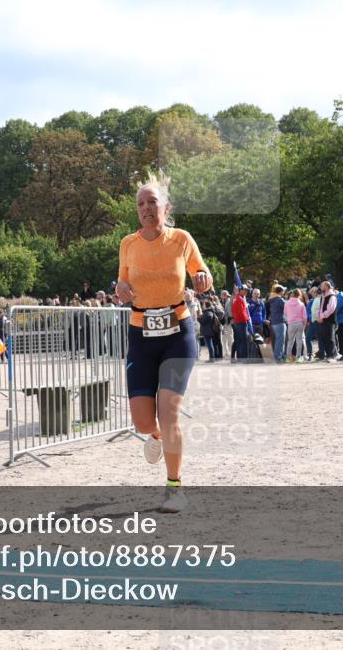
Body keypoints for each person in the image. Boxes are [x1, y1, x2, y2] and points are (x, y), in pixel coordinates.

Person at [116, 170, 212, 513]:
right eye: (141, 204)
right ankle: (156, 436)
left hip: (177, 334)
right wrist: (120, 289)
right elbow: (122, 283)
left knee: (168, 412)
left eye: (152, 202)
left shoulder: (181, 239)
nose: (145, 208)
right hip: (141, 334)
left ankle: (174, 488)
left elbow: (202, 271)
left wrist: (203, 277)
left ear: (165, 207)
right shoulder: (128, 244)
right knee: (143, 422)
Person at [284, 288, 308, 363]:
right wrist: (304, 324)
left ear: (292, 294)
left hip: (291, 323)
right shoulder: (301, 304)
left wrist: (288, 320)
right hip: (300, 323)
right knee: (299, 341)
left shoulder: (287, 303)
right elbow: (305, 316)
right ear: (299, 295)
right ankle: (298, 357)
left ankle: (288, 358)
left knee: (290, 341)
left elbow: (285, 314)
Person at [316, 281, 338, 362]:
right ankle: (328, 355)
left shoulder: (332, 296)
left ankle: (332, 356)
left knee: (330, 338)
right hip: (323, 320)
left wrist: (322, 316)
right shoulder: (323, 296)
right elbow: (319, 308)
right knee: (324, 338)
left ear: (327, 287)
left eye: (322, 286)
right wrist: (318, 316)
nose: (321, 287)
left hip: (330, 321)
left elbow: (330, 309)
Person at [267, 285, 288, 362]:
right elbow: (287, 307)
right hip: (280, 322)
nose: (284, 292)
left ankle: (280, 356)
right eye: (283, 290)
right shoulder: (279, 299)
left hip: (274, 322)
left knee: (279, 340)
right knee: (280, 341)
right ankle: (277, 357)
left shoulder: (272, 299)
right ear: (280, 291)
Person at [231, 286, 251, 361]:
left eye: (247, 290)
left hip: (237, 322)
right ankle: (243, 358)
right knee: (243, 341)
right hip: (242, 322)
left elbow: (233, 310)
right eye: (245, 290)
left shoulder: (236, 298)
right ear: (241, 290)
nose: (246, 292)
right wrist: (247, 319)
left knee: (239, 340)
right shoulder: (240, 299)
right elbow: (242, 312)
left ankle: (239, 357)